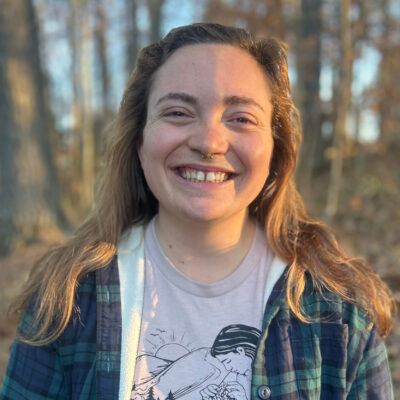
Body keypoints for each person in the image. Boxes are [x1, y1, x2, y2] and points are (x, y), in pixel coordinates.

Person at [0, 23, 394, 400]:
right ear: (140, 142)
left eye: (241, 118)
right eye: (177, 112)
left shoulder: (339, 313)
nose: (209, 142)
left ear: (275, 151)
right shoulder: (68, 300)